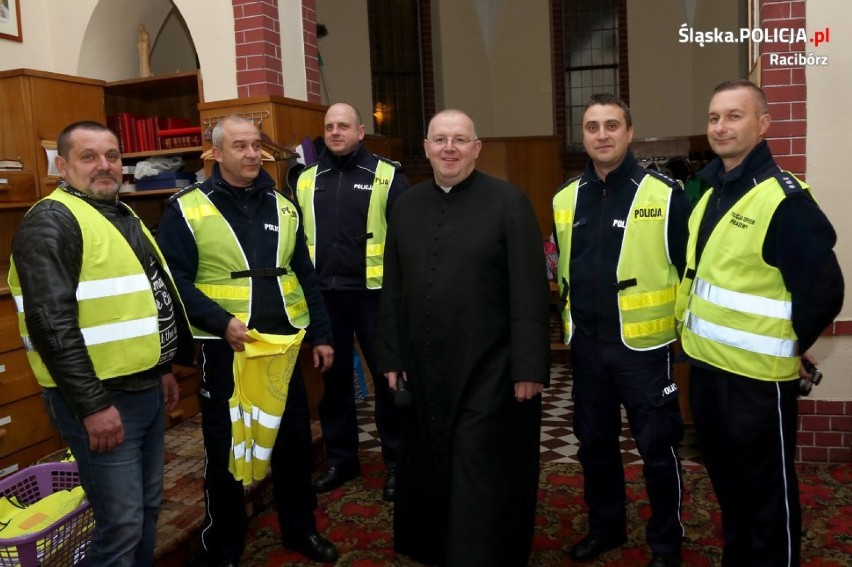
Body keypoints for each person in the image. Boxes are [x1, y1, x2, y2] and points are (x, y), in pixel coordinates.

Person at [7, 120, 194, 566]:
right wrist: (92, 406)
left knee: (146, 509)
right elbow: (52, 326)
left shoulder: (117, 212)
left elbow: (146, 297)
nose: (104, 166)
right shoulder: (51, 222)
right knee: (121, 524)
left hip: (142, 388)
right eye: (88, 157)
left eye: (112, 156)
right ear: (62, 164)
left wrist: (163, 368)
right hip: (99, 400)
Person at [156, 115, 339, 565]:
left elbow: (304, 276)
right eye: (240, 146)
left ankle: (300, 530)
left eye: (256, 145)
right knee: (226, 452)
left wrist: (321, 334)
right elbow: (173, 279)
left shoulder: (283, 205)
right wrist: (220, 322)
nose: (252, 154)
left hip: (282, 348)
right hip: (225, 351)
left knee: (293, 444)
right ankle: (224, 547)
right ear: (216, 154)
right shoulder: (186, 207)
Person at [675, 79, 844, 566]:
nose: (720, 126)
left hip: (757, 382)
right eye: (713, 117)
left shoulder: (782, 200)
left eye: (733, 115)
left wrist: (790, 343)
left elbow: (824, 290)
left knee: (768, 496)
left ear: (763, 124)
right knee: (729, 488)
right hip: (707, 373)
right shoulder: (708, 194)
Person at [377, 109, 551, 566]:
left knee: (478, 469)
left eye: (459, 139)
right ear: (427, 148)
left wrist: (530, 367)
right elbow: (392, 286)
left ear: (477, 148)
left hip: (489, 368)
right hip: (422, 366)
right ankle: (436, 548)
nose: (449, 148)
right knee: (430, 465)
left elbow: (529, 291)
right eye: (440, 139)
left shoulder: (509, 203)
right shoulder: (406, 205)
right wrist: (391, 356)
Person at [552, 93, 690, 567]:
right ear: (583, 136)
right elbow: (562, 270)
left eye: (612, 125)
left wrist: (684, 341)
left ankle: (667, 544)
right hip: (588, 350)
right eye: (592, 127)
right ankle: (606, 528)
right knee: (595, 446)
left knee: (657, 450)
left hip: (645, 351)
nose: (602, 135)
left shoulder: (666, 194)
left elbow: (688, 270)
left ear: (629, 132)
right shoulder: (565, 198)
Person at [296, 102, 408, 500]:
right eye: (329, 127)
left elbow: (404, 241)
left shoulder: (387, 176)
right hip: (326, 300)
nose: (336, 132)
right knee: (334, 384)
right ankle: (342, 460)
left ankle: (397, 464)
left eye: (344, 126)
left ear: (361, 131)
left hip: (376, 298)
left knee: (389, 382)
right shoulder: (306, 179)